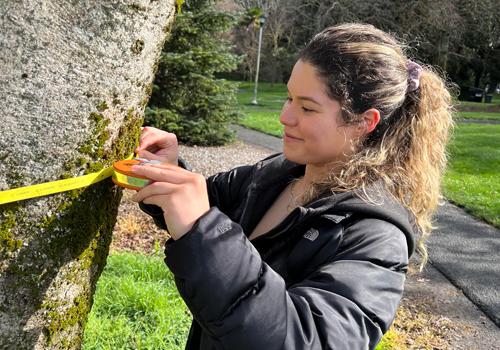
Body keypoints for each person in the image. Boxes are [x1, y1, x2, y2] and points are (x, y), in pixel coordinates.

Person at [130, 23, 453, 350]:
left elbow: (307, 339)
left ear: (362, 122)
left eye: (307, 107)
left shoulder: (374, 236)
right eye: (289, 98)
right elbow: (203, 205)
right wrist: (168, 174)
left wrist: (201, 229)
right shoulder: (273, 174)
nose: (285, 116)